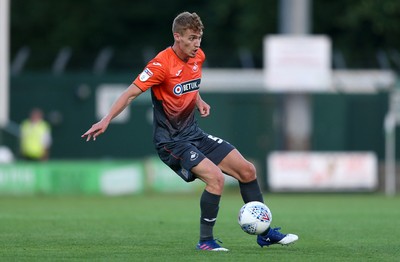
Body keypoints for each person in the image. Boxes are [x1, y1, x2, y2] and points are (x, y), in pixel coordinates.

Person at [82, 11, 298, 251]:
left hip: (193, 134)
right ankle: (206, 242)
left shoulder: (198, 57)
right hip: (171, 142)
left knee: (247, 170)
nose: (197, 44)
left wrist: (199, 101)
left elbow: (189, 84)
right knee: (215, 179)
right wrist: (106, 119)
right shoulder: (160, 65)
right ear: (177, 36)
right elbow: (130, 93)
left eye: (199, 38)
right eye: (192, 38)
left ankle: (265, 234)